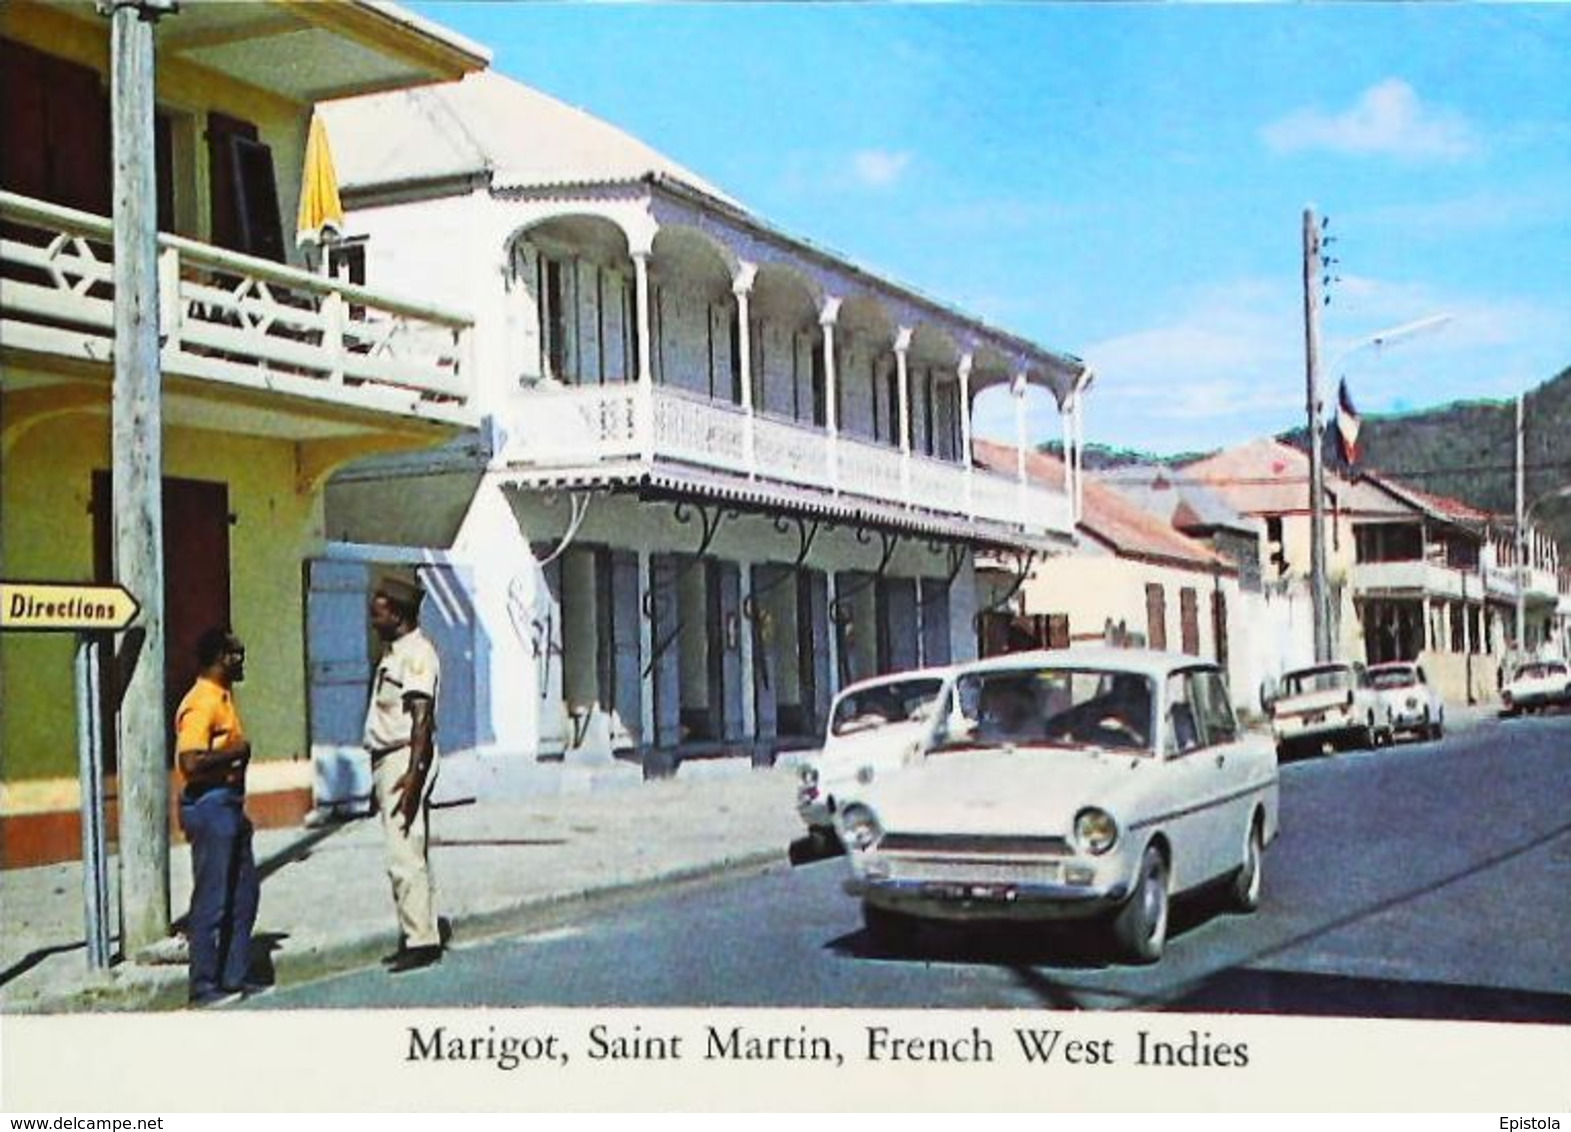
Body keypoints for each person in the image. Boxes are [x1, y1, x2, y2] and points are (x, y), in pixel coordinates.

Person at [174, 627, 261, 1007]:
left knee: (244, 894)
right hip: (209, 806)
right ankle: (203, 987)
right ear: (220, 658)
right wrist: (236, 752)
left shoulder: (223, 698)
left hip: (229, 805)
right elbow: (190, 761)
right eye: (236, 654)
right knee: (213, 898)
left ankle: (233, 976)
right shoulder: (202, 702)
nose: (241, 661)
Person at [363, 576, 444, 973]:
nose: (372, 620)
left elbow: (421, 719)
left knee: (404, 851)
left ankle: (421, 940)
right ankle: (417, 930)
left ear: (396, 614)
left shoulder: (416, 655)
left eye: (377, 613)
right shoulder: (396, 651)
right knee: (406, 848)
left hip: (403, 758)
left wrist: (413, 776)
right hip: (391, 757)